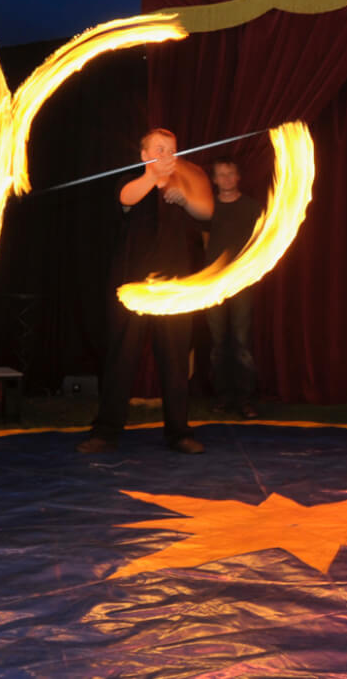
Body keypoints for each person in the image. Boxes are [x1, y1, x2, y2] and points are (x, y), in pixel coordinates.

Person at [79, 128, 213, 455]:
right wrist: (153, 177)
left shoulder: (185, 182)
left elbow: (206, 211)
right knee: (121, 357)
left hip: (173, 289)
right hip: (132, 286)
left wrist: (184, 199)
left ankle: (179, 433)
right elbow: (126, 199)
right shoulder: (132, 180)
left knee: (175, 359)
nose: (167, 155)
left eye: (171, 149)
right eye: (159, 149)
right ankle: (106, 432)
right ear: (144, 154)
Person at [203, 156, 262, 419]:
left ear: (238, 177)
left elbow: (260, 241)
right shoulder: (207, 207)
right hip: (213, 283)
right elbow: (206, 239)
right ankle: (223, 397)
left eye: (230, 173)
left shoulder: (251, 207)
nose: (226, 178)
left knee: (241, 340)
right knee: (218, 342)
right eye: (221, 174)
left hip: (241, 282)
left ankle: (245, 400)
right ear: (214, 180)